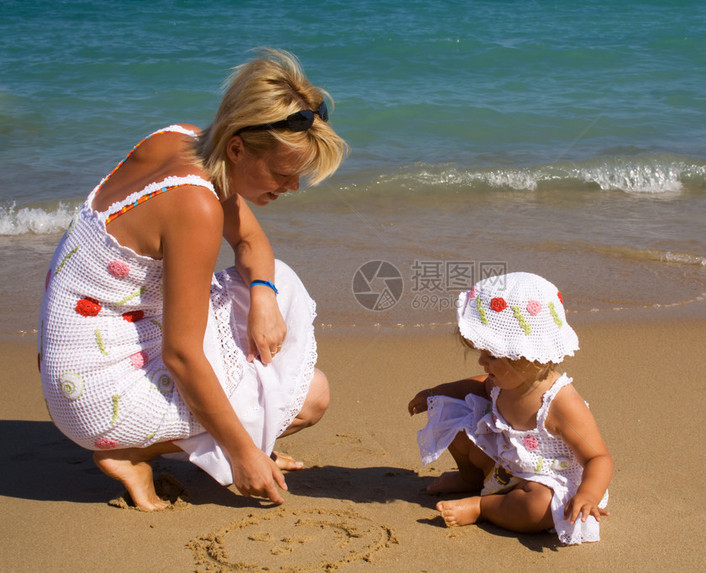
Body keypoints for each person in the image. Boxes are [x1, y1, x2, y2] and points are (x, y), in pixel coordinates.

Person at [38, 48, 347, 510]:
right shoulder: (194, 205)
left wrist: (262, 296)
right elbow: (181, 355)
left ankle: (204, 434)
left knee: (275, 282)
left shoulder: (184, 139)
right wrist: (244, 453)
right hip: (97, 389)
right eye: (285, 173)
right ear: (239, 147)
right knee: (310, 398)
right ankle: (130, 451)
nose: (292, 188)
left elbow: (252, 246)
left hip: (79, 350)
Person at [407, 272, 613, 545]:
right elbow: (477, 386)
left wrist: (588, 494)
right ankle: (471, 478)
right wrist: (436, 393)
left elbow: (598, 458)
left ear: (526, 355)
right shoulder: (501, 382)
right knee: (454, 411)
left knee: (538, 508)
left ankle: (485, 508)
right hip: (505, 464)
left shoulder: (560, 403)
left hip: (546, 480)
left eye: (491, 355)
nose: (481, 361)